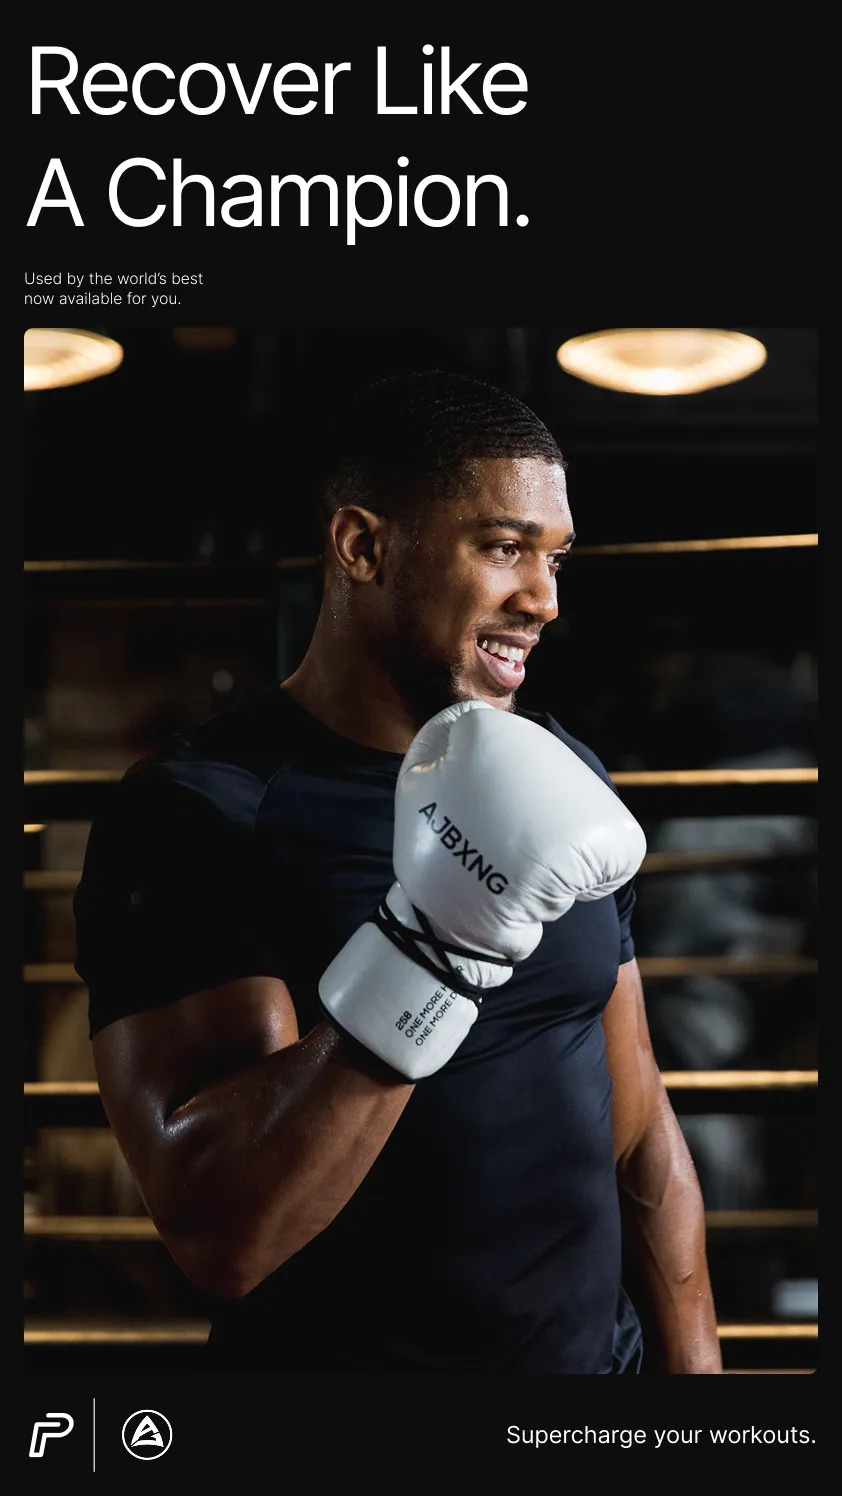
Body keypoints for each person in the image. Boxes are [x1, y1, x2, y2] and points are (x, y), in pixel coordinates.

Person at [73, 370, 722, 1374]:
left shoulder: (556, 770)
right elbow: (225, 1233)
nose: (542, 599)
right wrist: (435, 949)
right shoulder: (201, 813)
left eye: (554, 558)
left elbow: (639, 1140)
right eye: (503, 547)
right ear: (362, 546)